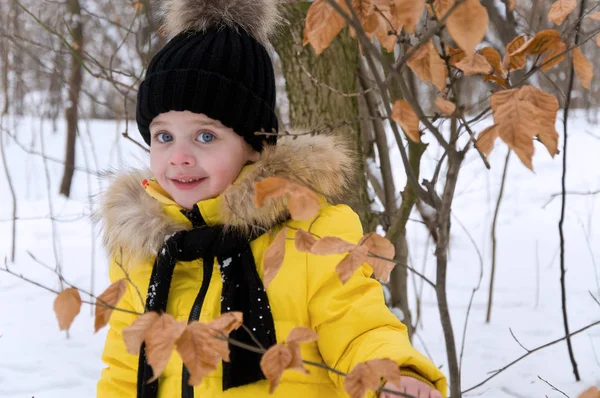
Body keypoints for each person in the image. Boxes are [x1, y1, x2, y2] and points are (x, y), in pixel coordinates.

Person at [95, 0, 447, 397]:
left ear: (253, 145)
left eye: (205, 136)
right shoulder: (142, 251)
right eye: (164, 136)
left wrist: (393, 374)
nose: (179, 157)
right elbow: (125, 372)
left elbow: (357, 324)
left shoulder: (309, 233)